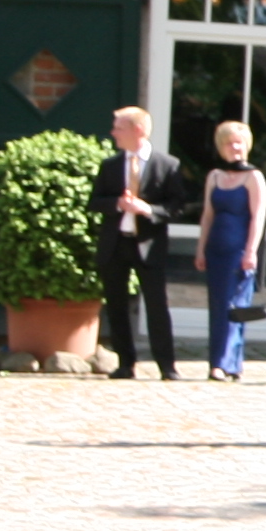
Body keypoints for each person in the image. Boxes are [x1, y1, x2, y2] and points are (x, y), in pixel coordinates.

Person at [92, 106, 183, 380]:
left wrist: (147, 210)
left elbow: (177, 206)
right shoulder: (110, 165)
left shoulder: (167, 165)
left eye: (118, 127)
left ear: (137, 130)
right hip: (116, 243)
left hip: (148, 244)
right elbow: (94, 202)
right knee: (117, 305)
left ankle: (166, 365)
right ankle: (124, 363)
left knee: (157, 306)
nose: (113, 133)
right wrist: (116, 204)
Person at [197, 121, 266, 380]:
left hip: (238, 250)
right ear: (221, 147)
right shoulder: (214, 176)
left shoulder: (254, 177)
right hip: (215, 249)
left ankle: (224, 363)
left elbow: (258, 217)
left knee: (234, 306)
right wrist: (200, 249)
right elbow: (207, 215)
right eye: (229, 143)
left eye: (239, 142)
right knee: (217, 306)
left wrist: (251, 251)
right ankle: (223, 362)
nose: (234, 147)